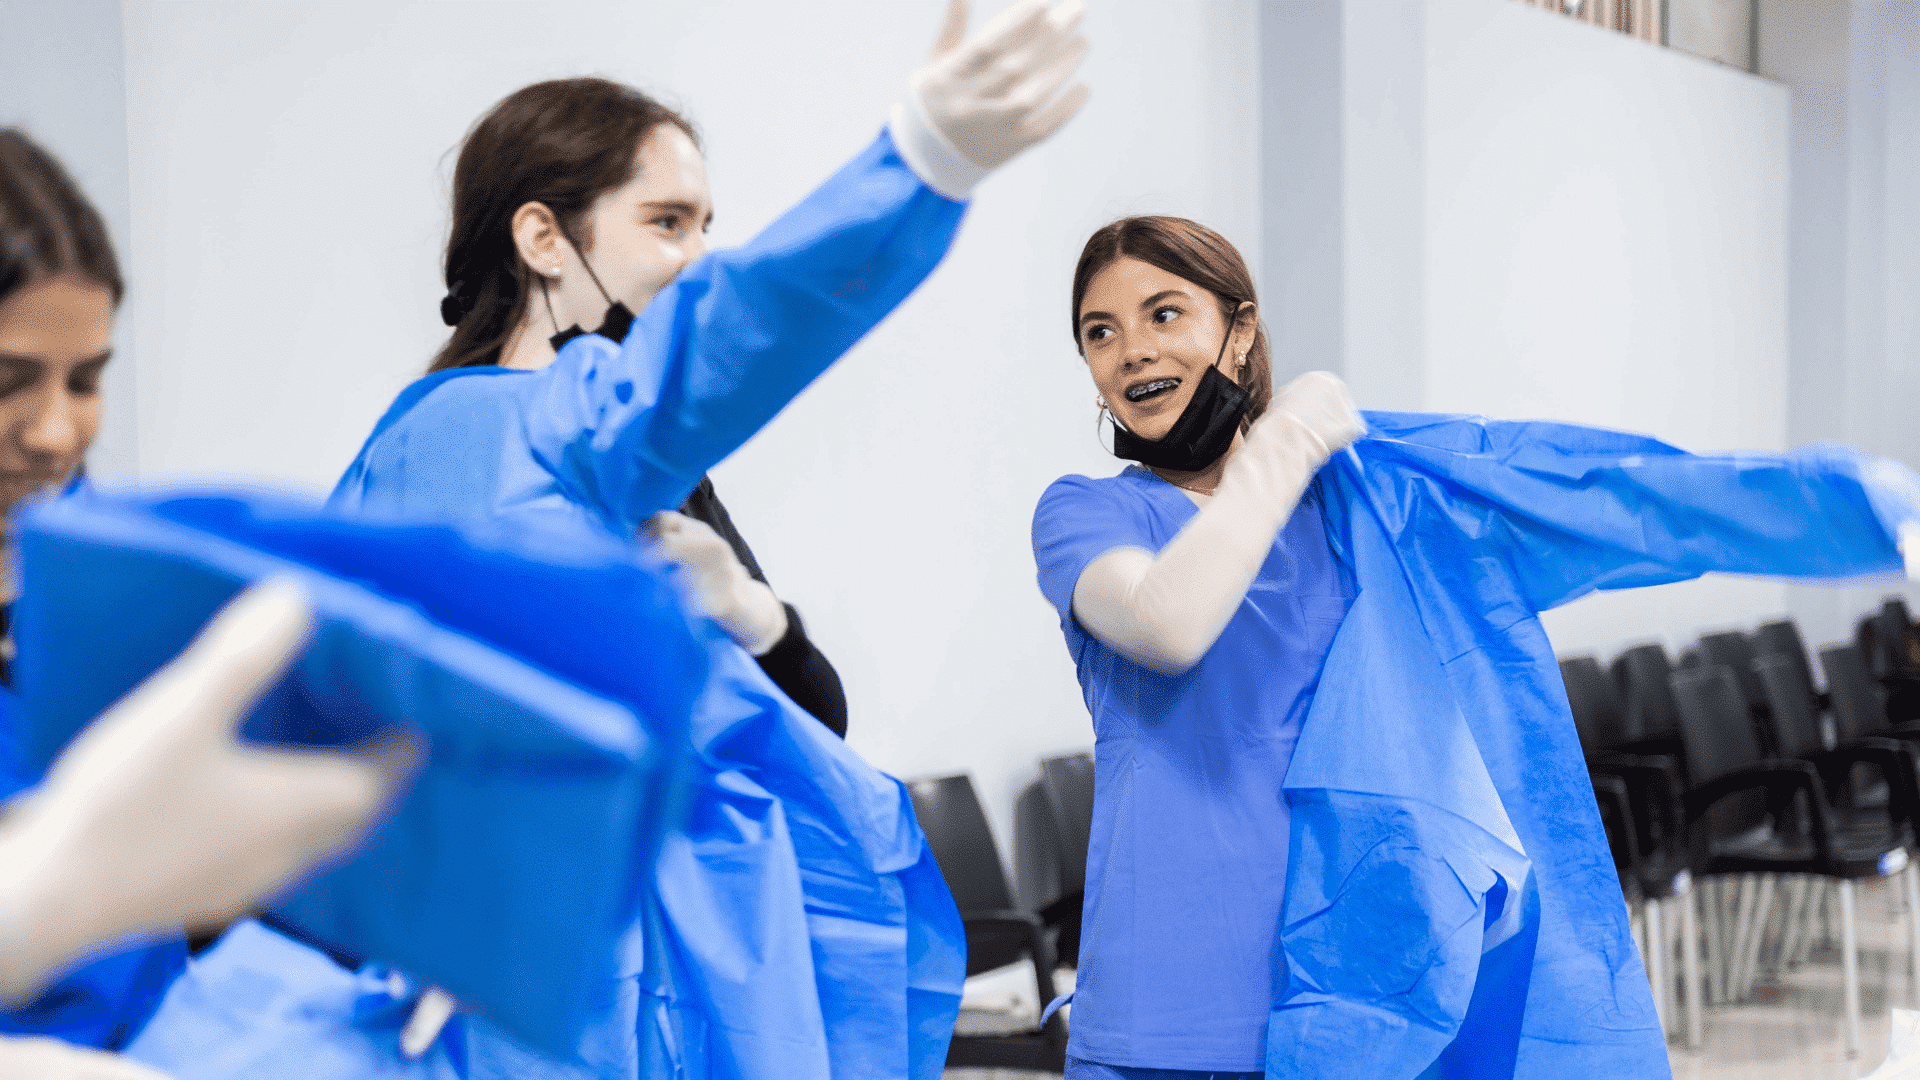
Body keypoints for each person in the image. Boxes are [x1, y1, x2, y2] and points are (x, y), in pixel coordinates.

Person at [1032, 216, 1920, 1079]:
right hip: (1164, 1005)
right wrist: (1285, 444)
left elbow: (1600, 497)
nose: (1133, 350)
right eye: (1099, 333)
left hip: (1361, 990)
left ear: (1239, 329)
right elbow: (1167, 622)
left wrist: (1866, 510)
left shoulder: (1366, 505)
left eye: (1164, 312)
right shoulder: (1087, 512)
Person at [335, 0, 1090, 739]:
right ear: (543, 239)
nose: (701, 259)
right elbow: (738, 320)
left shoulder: (656, 470)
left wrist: (750, 612)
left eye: (706, 228)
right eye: (667, 223)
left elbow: (821, 722)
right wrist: (918, 165)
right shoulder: (457, 435)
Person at [0, 128, 420, 1078]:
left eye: (89, 379)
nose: (57, 432)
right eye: (8, 382)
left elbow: (220, 873)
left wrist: (406, 930)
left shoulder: (120, 582)